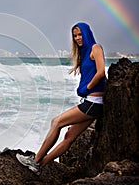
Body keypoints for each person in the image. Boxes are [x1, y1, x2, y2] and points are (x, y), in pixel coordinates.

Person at [16, 22, 106, 175]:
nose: (78, 38)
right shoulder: (84, 53)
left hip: (93, 103)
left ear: (86, 33)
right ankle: (41, 165)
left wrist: (87, 88)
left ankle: (35, 160)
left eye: (80, 34)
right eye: (75, 36)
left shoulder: (95, 48)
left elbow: (101, 71)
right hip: (92, 103)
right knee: (69, 137)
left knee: (56, 122)